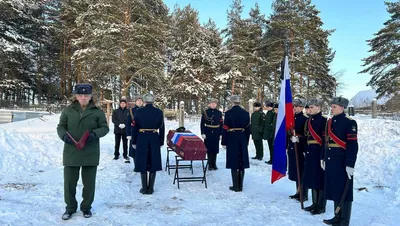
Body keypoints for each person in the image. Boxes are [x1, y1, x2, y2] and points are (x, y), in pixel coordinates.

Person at [57, 84, 109, 220]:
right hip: (71, 151)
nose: (83, 98)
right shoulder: (68, 110)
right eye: (80, 95)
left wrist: (94, 134)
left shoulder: (97, 112)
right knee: (69, 183)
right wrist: (63, 136)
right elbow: (61, 126)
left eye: (86, 95)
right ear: (76, 96)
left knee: (89, 183)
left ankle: (86, 208)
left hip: (90, 152)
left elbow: (105, 128)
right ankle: (70, 208)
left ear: (91, 96)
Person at [322, 97, 358, 226]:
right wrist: (324, 157)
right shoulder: (330, 122)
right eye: (331, 107)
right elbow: (326, 142)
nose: (332, 109)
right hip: (331, 160)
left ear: (342, 108)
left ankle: (344, 220)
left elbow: (353, 145)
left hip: (343, 161)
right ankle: (337, 217)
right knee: (335, 188)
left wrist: (350, 164)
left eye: (334, 107)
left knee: (345, 190)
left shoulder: (350, 123)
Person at [131, 93, 165, 195]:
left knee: (142, 160)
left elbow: (134, 127)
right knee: (153, 160)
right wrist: (161, 141)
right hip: (154, 137)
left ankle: (144, 188)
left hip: (142, 137)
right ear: (153, 101)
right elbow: (162, 127)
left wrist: (134, 141)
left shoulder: (138, 111)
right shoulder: (159, 112)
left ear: (144, 101)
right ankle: (151, 188)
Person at [303, 98, 327, 215]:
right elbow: (307, 137)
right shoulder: (309, 121)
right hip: (310, 152)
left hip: (318, 152)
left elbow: (324, 140)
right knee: (312, 177)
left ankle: (321, 205)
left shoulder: (324, 121)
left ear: (319, 108)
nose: (310, 109)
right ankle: (314, 203)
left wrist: (323, 156)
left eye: (312, 107)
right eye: (309, 107)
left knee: (320, 179)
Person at [221, 95, 250, 192]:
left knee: (234, 161)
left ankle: (235, 185)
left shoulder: (228, 113)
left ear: (232, 102)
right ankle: (240, 185)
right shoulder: (246, 113)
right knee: (241, 161)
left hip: (232, 137)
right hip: (242, 137)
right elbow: (248, 129)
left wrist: (223, 141)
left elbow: (225, 128)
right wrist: (246, 141)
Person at [288, 98, 308, 201]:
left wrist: (299, 139)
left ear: (302, 107)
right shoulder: (292, 118)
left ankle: (303, 194)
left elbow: (308, 135)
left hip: (300, 147)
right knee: (296, 170)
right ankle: (298, 191)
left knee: (302, 171)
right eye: (294, 106)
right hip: (293, 145)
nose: (294, 108)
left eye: (297, 106)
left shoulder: (305, 119)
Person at [200, 98, 223, 170]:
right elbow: (202, 124)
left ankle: (214, 163)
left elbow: (221, 123)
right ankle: (210, 164)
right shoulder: (206, 112)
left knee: (215, 149)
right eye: (212, 103)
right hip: (208, 132)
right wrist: (203, 133)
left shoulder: (219, 113)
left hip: (216, 132)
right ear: (209, 104)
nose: (213, 105)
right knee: (209, 148)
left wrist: (221, 133)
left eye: (214, 104)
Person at [126, 94, 144, 167]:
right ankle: (136, 165)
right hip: (134, 133)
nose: (139, 102)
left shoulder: (145, 110)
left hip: (143, 133)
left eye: (141, 100)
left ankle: (143, 164)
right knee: (134, 150)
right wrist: (128, 134)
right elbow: (128, 123)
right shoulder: (131, 111)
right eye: (138, 100)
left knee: (143, 150)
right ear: (135, 102)